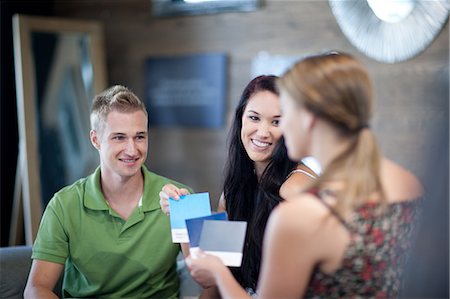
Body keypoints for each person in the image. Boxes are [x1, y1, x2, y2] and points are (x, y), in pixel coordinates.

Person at [186, 52, 423, 298]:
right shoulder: (407, 183)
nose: (274, 129)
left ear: (308, 119)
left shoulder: (299, 212)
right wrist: (186, 216)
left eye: (283, 116)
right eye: (255, 117)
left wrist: (219, 275)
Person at [24, 85, 193, 298]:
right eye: (119, 137)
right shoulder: (63, 205)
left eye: (140, 137)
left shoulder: (179, 197)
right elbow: (36, 288)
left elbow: (208, 281)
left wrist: (185, 218)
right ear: (95, 140)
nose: (132, 150)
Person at [159, 75, 317, 296]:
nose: (263, 132)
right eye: (254, 118)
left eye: (276, 122)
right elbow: (208, 277)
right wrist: (182, 214)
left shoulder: (297, 188)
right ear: (241, 118)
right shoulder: (235, 190)